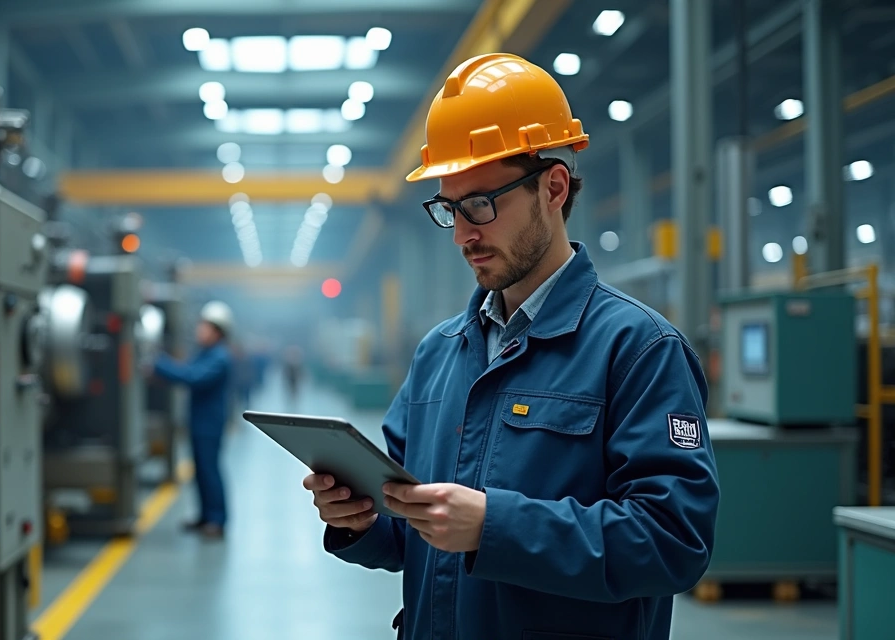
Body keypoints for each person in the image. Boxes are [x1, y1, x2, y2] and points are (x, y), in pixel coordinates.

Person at [304, 53, 720, 640]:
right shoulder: (439, 353)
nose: (466, 233)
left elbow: (674, 541)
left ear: (553, 187)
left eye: (480, 203)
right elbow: (409, 527)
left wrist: (494, 526)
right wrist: (360, 520)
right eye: (450, 209)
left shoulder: (639, 349)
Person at [153, 300, 235, 539]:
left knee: (210, 470)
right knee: (200, 471)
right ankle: (205, 517)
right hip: (199, 422)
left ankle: (218, 520)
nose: (199, 330)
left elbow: (192, 377)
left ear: (217, 331)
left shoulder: (219, 357)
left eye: (204, 326)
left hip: (209, 424)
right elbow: (186, 372)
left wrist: (159, 363)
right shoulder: (206, 354)